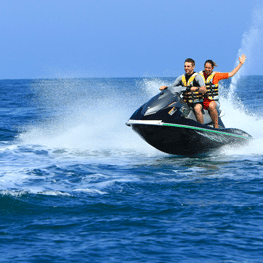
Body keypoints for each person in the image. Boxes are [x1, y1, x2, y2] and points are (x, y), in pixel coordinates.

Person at [200, 54, 246, 128]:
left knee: (211, 106)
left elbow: (231, 74)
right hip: (203, 101)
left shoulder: (216, 75)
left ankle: (216, 127)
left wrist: (240, 64)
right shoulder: (199, 75)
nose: (207, 69)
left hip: (214, 102)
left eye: (209, 68)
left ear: (212, 68)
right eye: (206, 67)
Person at [160, 58, 206, 124]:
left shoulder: (198, 77)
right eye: (185, 66)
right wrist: (166, 87)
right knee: (172, 106)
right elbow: (173, 87)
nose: (186, 68)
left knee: (197, 109)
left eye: (188, 66)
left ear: (193, 67)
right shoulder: (181, 78)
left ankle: (201, 127)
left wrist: (197, 89)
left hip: (197, 101)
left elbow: (204, 89)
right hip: (185, 101)